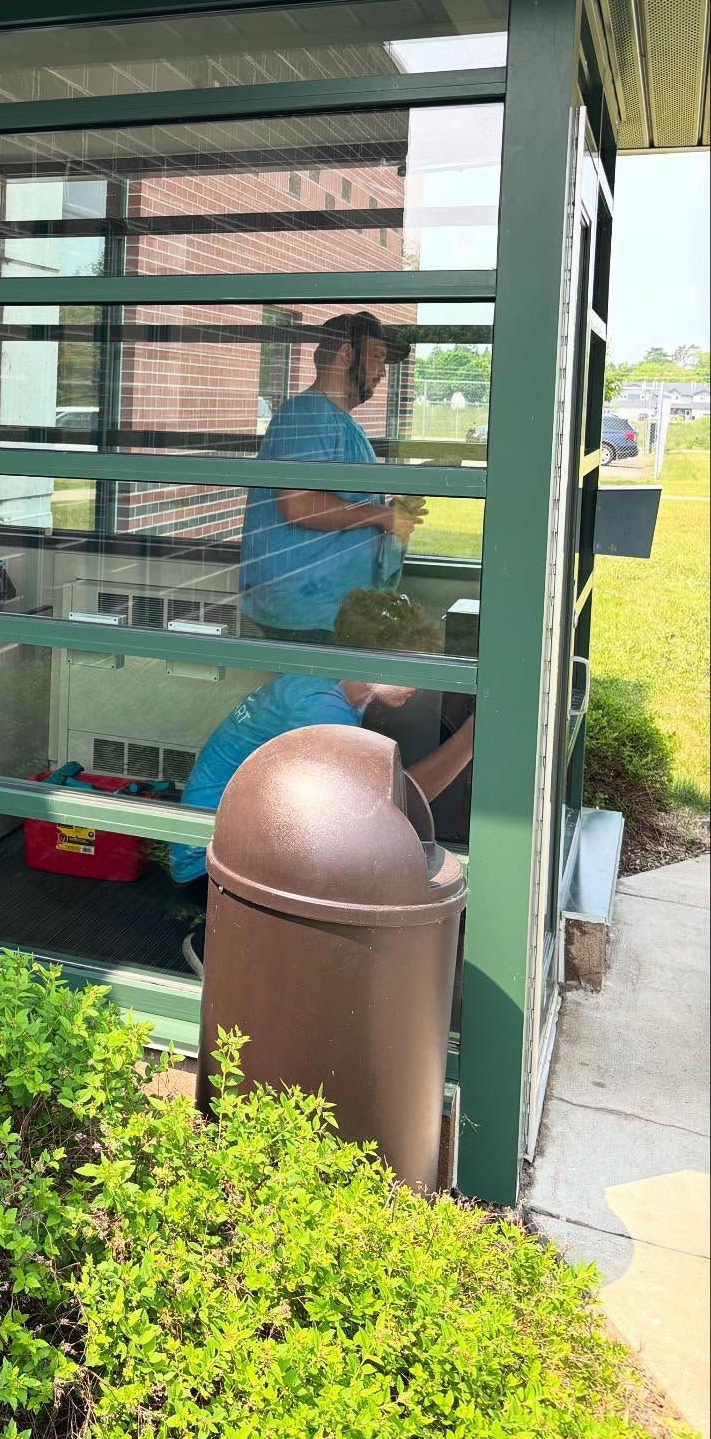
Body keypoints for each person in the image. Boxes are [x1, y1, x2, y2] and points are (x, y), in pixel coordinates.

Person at [169, 590, 475, 970]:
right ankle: (216, 946)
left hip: (227, 843)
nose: (417, 682)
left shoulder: (327, 683)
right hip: (207, 866)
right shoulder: (320, 706)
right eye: (409, 666)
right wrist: (470, 740)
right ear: (372, 661)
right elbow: (387, 807)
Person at [240, 311, 423, 643]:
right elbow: (298, 504)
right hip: (304, 615)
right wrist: (382, 515)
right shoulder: (305, 415)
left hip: (330, 612)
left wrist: (393, 511)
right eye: (378, 357)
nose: (383, 372)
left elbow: (344, 506)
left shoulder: (343, 424)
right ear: (347, 354)